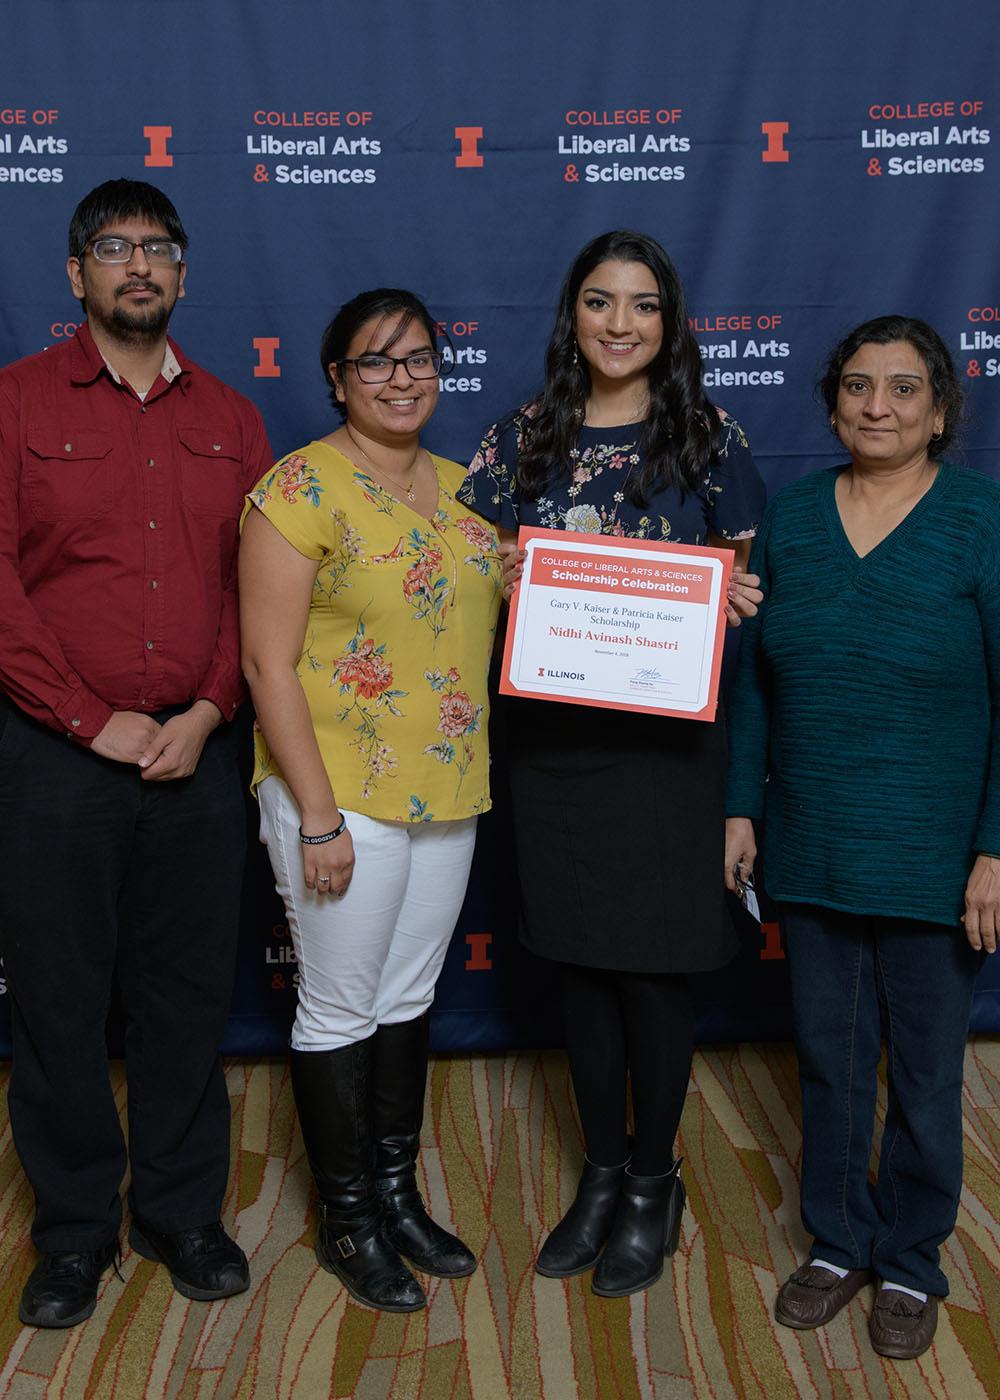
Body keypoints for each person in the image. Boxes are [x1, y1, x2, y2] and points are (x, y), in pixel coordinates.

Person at [458, 230, 766, 1296]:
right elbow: (460, 600)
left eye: (642, 304)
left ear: (669, 324)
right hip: (555, 754)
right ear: (572, 316)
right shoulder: (519, 441)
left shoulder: (710, 440)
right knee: (581, 962)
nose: (620, 323)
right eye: (600, 301)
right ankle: (597, 1171)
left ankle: (652, 1176)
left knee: (651, 962)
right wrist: (493, 578)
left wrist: (730, 601)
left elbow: (745, 614)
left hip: (668, 758)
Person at [0, 179, 271, 1328]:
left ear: (183, 269)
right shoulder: (14, 403)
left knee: (184, 995)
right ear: (77, 274)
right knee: (59, 1002)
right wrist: (83, 715)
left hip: (196, 748)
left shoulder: (233, 413)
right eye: (115, 248)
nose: (139, 265)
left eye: (159, 246)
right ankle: (71, 1231)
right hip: (60, 751)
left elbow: (252, 592)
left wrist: (209, 710)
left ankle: (178, 1210)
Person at [725, 315, 995, 1360]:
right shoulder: (791, 518)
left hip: (938, 856)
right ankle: (837, 1242)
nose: (876, 405)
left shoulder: (980, 520)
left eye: (902, 387)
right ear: (830, 398)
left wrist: (995, 848)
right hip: (815, 840)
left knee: (926, 1072)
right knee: (833, 1063)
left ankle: (912, 1259)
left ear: (939, 408)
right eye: (856, 385)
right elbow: (753, 680)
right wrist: (741, 807)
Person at [239, 288, 502, 1313]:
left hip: (448, 788)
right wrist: (315, 815)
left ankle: (395, 1191)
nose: (401, 378)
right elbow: (266, 661)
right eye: (375, 361)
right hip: (338, 790)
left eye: (418, 358)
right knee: (341, 1002)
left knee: (405, 997)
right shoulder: (298, 487)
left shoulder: (469, 487)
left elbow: (534, 598)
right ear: (337, 379)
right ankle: (346, 1214)